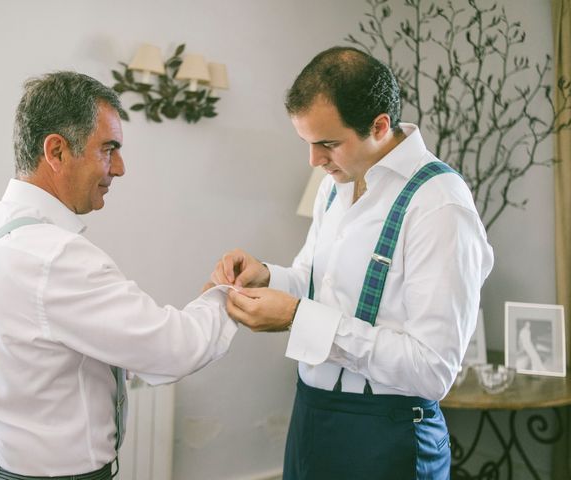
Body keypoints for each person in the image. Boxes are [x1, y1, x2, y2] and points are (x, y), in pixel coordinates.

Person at [210, 47, 494, 479]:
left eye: (327, 144)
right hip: (312, 416)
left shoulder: (439, 205)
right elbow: (314, 280)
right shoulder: (333, 187)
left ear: (380, 125)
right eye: (307, 143)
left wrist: (298, 319)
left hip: (389, 437)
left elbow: (432, 370)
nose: (314, 160)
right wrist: (267, 275)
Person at [0, 71, 237, 480]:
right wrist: (227, 295)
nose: (120, 167)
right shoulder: (54, 256)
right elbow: (175, 350)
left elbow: (28, 354)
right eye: (108, 149)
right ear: (57, 151)